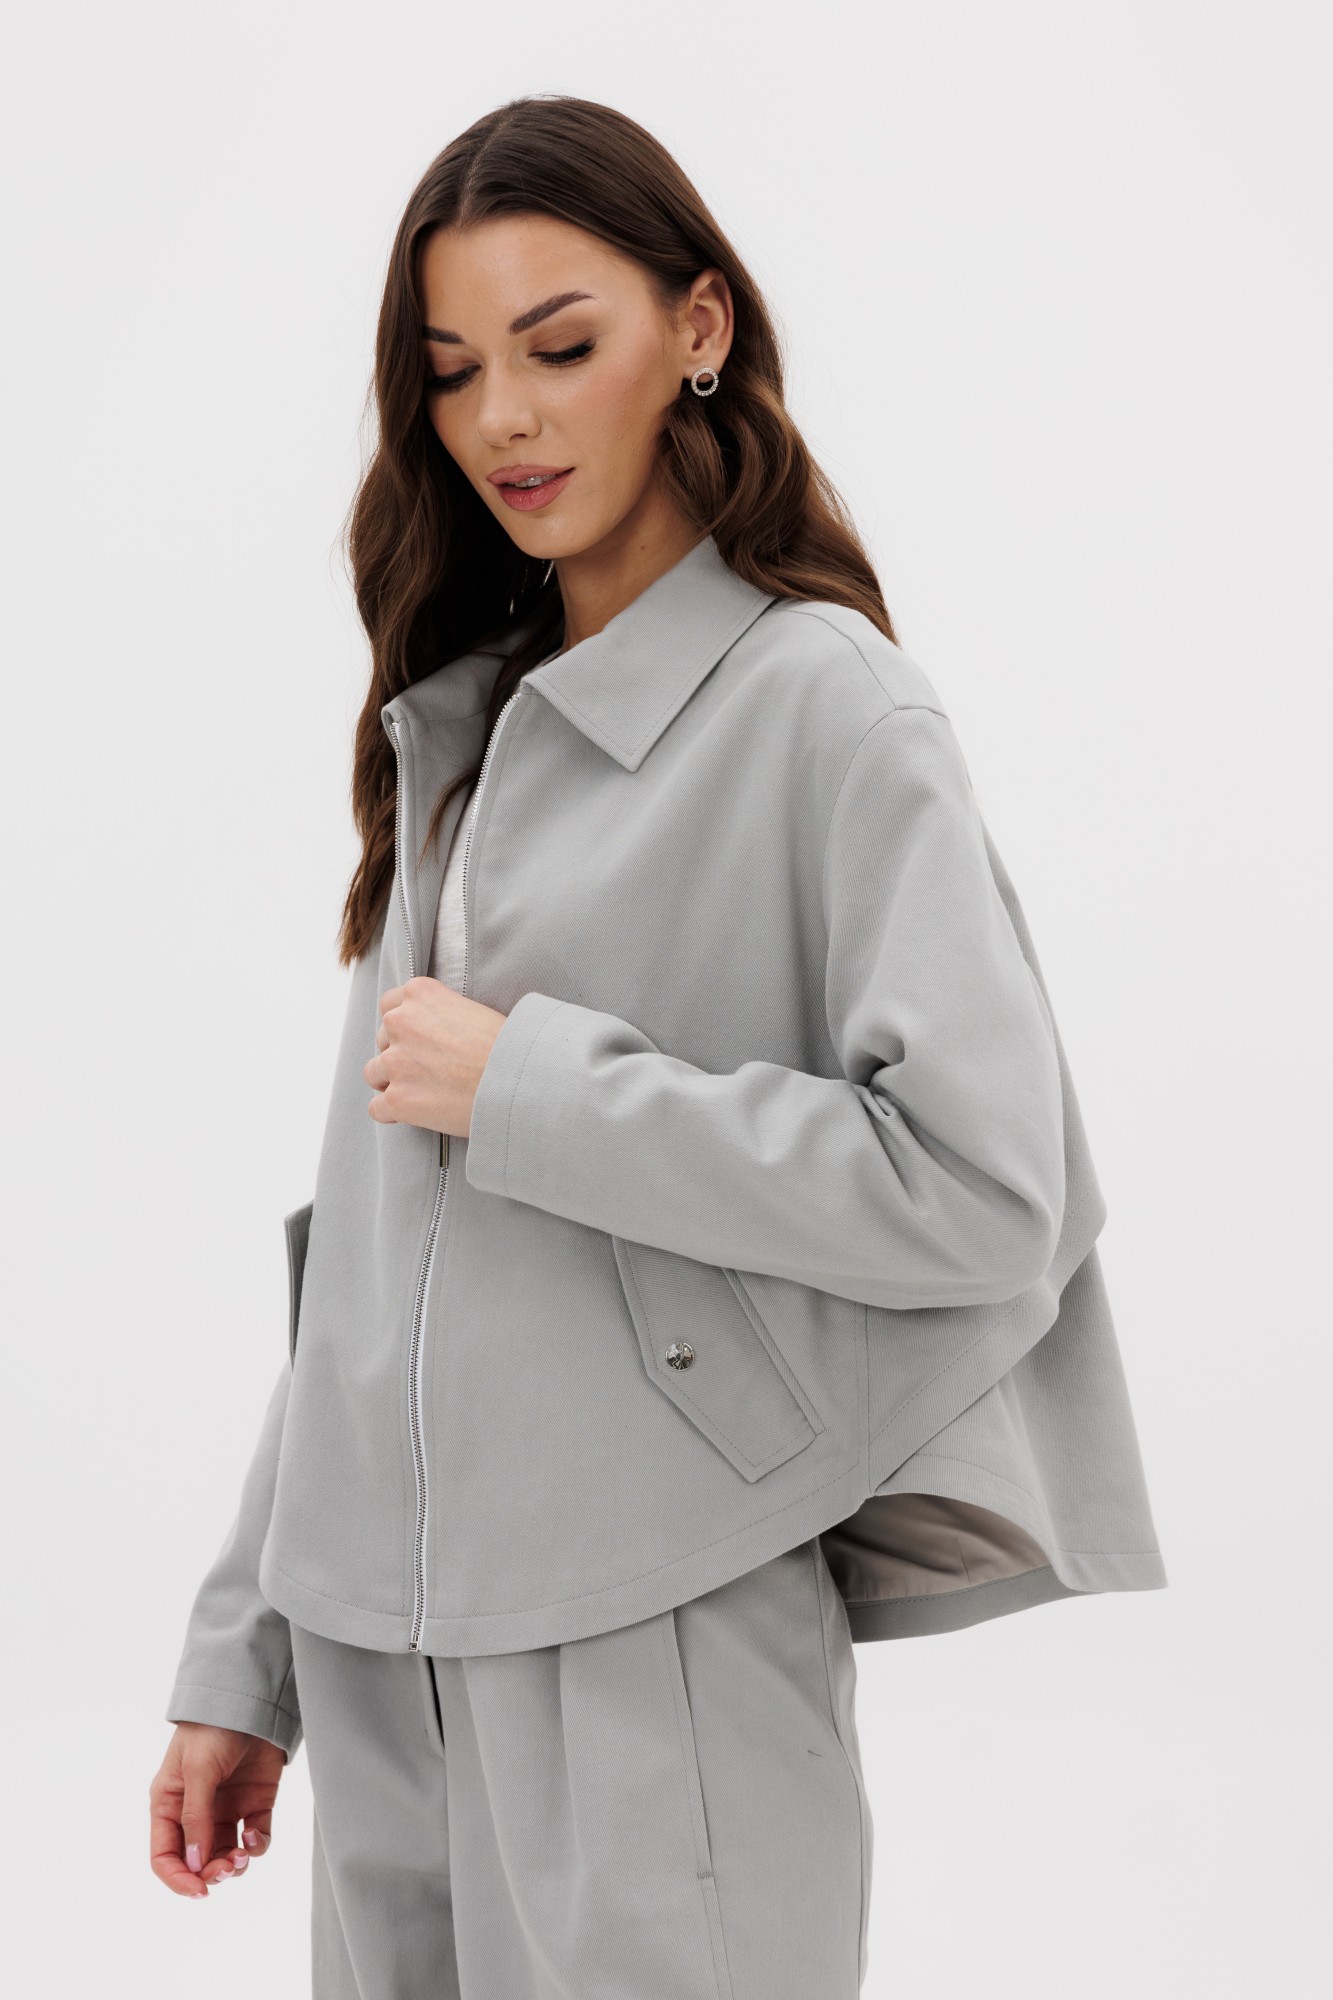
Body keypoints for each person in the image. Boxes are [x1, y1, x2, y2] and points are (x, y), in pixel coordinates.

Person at [149, 94, 1167, 1998]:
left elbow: (985, 1188)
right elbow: (374, 1264)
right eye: (453, 370)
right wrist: (249, 1653)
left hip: (654, 1628)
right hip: (382, 1660)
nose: (503, 421)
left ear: (697, 326)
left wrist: (537, 1091)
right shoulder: (462, 733)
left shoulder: (828, 709)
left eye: (559, 346)